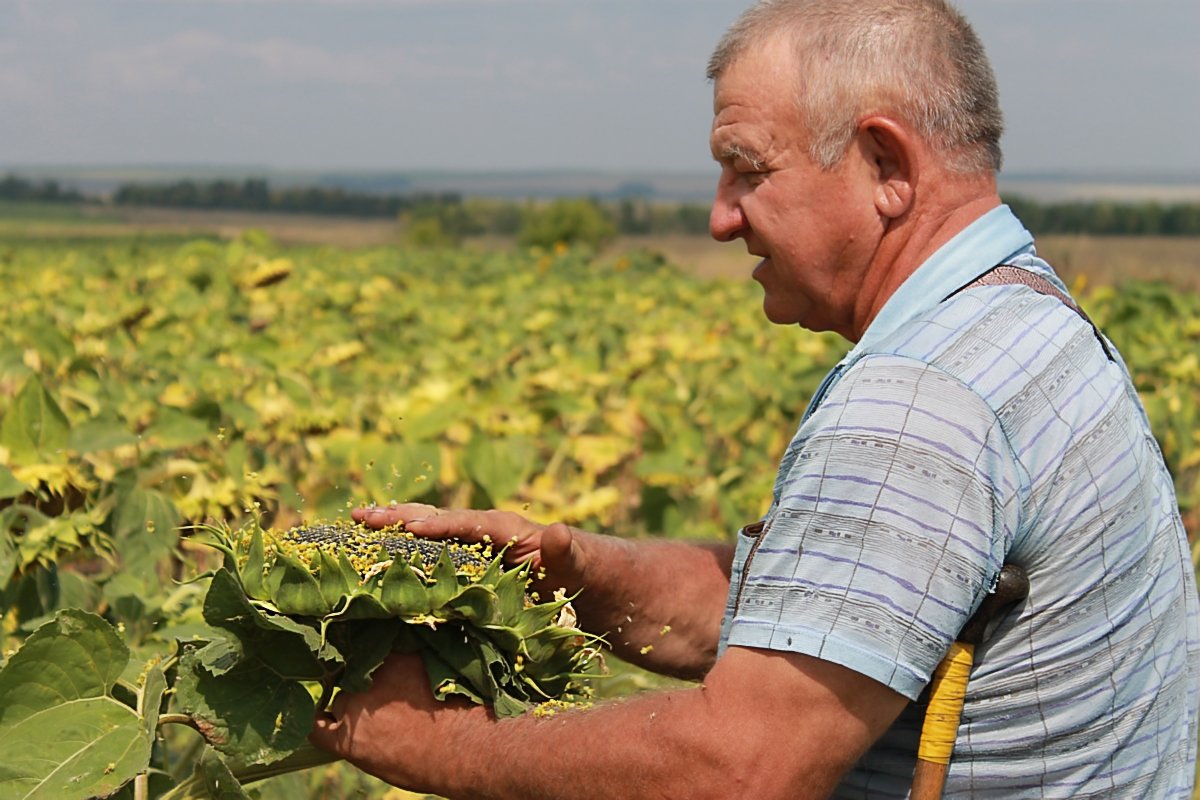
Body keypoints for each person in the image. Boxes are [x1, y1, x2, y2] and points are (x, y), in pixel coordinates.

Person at [310, 0, 1200, 796]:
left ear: (887, 162)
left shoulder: (919, 403)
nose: (720, 217)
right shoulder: (1024, 311)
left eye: (748, 170)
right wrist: (576, 573)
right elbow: (825, 622)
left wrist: (437, 751)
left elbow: (739, 769)